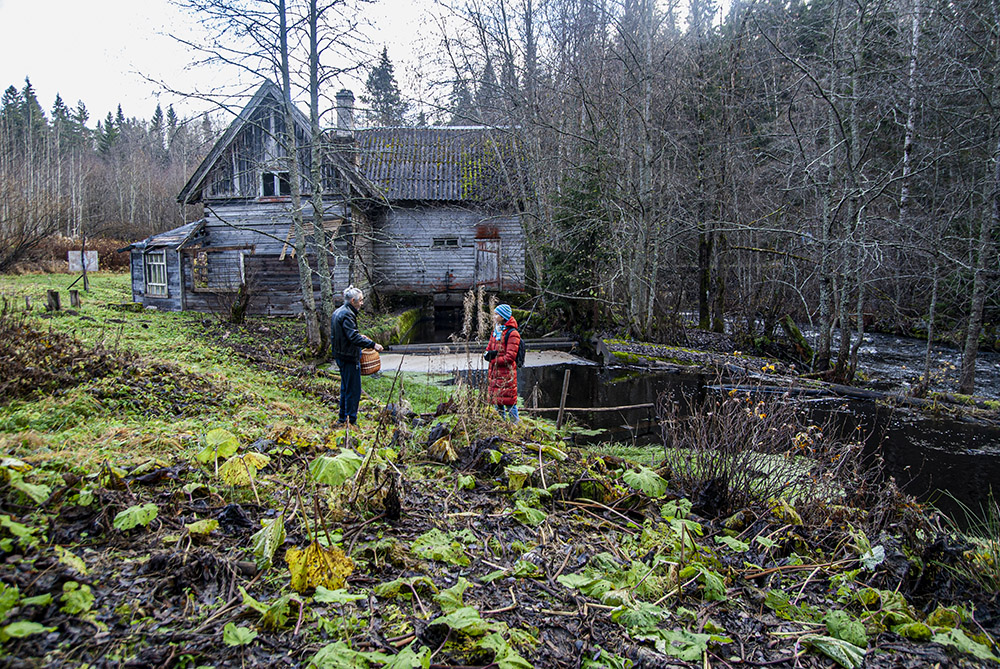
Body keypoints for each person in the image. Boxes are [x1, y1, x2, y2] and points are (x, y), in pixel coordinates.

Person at [331, 286, 383, 425]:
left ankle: (343, 419)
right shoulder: (347, 314)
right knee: (353, 390)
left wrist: (360, 336)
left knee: (345, 388)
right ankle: (351, 421)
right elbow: (353, 337)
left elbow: (346, 334)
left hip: (340, 355)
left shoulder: (338, 312)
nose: (362, 303)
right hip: (348, 357)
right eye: (360, 300)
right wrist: (373, 344)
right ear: (353, 300)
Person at [484, 304, 520, 422]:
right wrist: (487, 354)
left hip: (506, 374)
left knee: (509, 402)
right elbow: (489, 347)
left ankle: (516, 426)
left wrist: (494, 361)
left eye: (496, 314)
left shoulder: (512, 333)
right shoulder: (496, 331)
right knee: (497, 402)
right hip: (495, 373)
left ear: (503, 316)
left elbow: (510, 357)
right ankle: (501, 426)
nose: (494, 316)